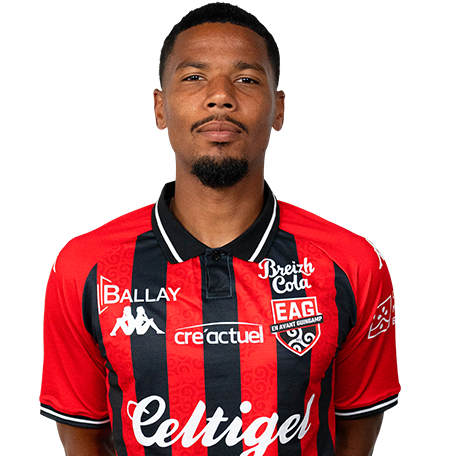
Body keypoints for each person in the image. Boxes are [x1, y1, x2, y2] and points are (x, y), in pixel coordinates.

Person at [39, 3, 400, 455]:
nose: (220, 97)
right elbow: (86, 438)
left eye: (246, 79)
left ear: (279, 109)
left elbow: (353, 435)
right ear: (159, 108)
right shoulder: (84, 267)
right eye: (194, 77)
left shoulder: (353, 262)